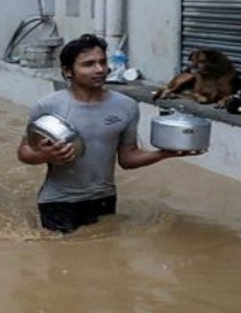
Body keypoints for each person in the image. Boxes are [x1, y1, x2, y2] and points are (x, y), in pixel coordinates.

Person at [17, 34, 205, 233]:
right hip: (58, 200)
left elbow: (128, 158)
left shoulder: (126, 106)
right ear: (67, 70)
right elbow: (24, 152)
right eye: (88, 64)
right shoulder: (48, 105)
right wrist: (44, 155)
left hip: (104, 198)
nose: (99, 69)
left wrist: (165, 153)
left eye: (102, 62)